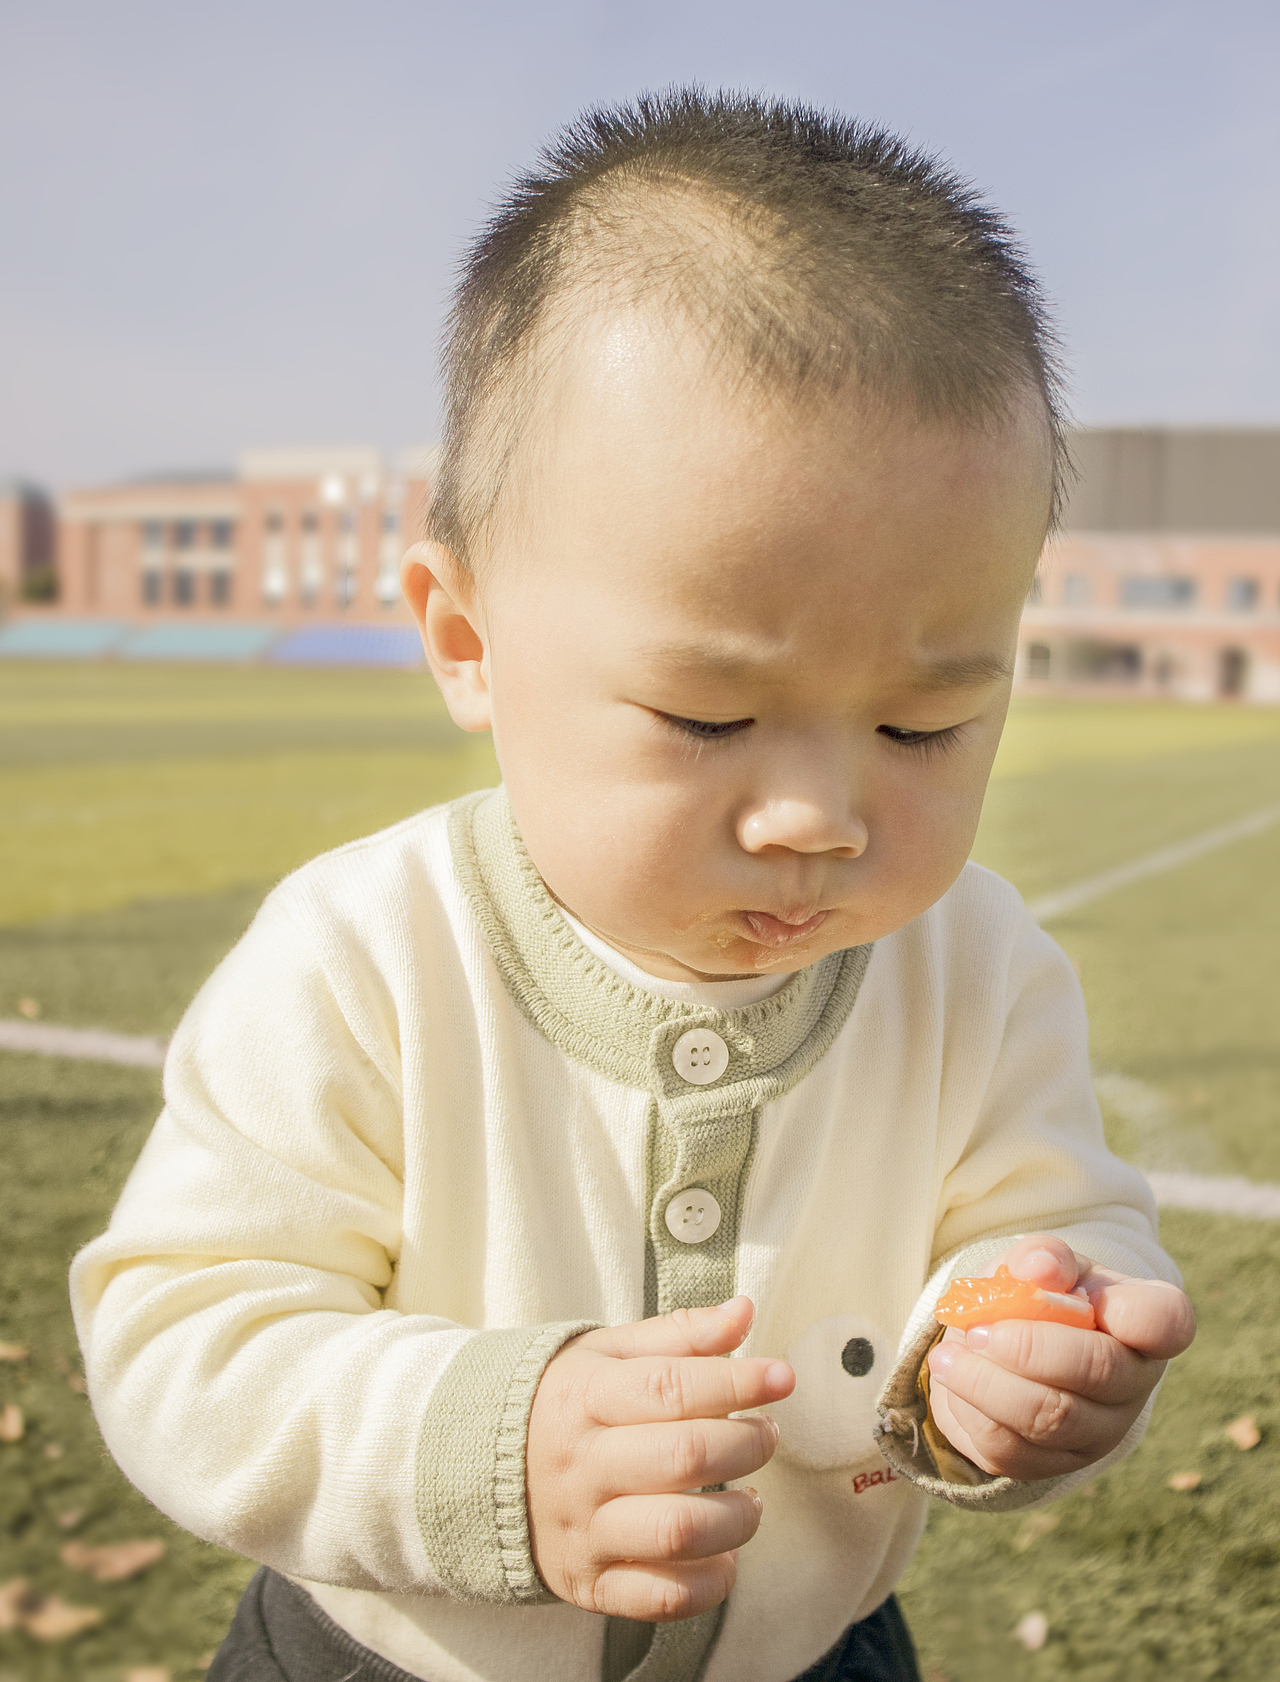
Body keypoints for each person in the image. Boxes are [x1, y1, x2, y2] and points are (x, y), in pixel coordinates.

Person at [71, 90, 1195, 1682]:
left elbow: (1061, 1215)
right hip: (390, 1655)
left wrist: (1025, 1339)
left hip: (816, 1649)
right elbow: (184, 1330)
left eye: (924, 722)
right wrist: (486, 1444)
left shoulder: (981, 968)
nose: (817, 813)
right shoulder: (363, 954)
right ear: (467, 640)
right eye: (708, 717)